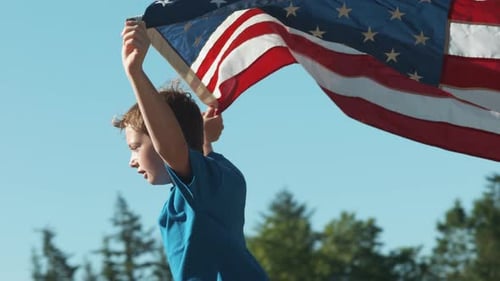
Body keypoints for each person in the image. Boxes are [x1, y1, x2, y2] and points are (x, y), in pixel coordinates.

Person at [113, 19, 269, 281]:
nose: (132, 160)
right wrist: (205, 140)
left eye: (136, 147)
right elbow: (194, 157)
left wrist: (136, 73)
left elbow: (172, 148)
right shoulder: (221, 175)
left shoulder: (199, 186)